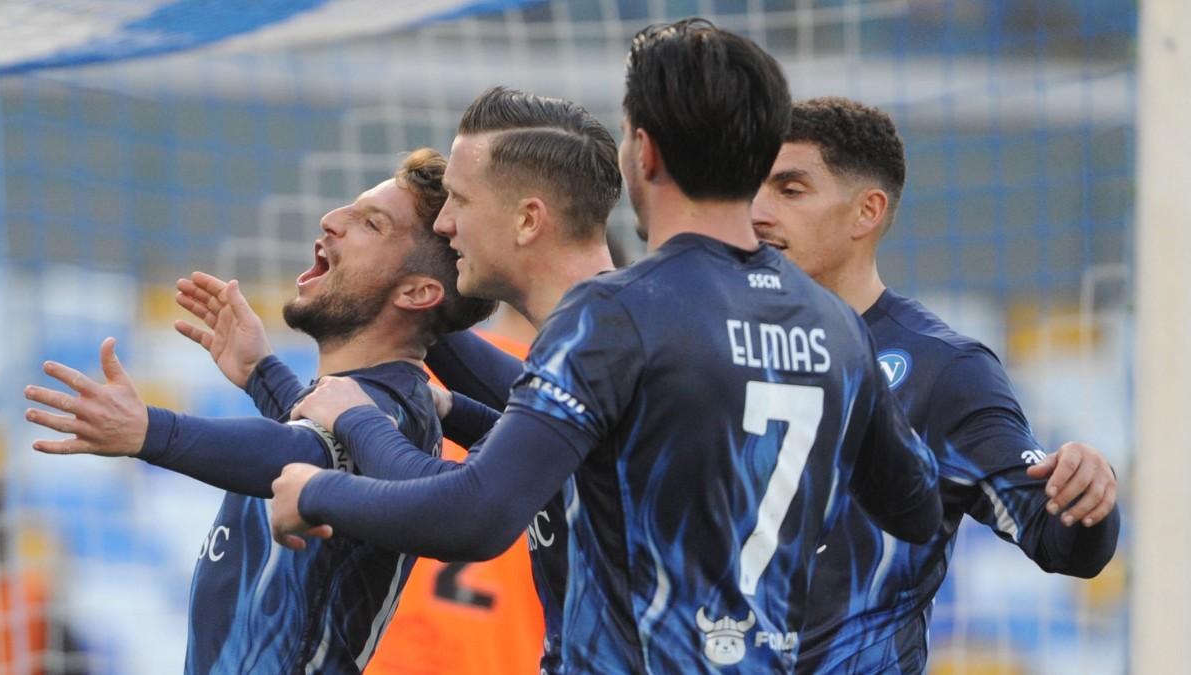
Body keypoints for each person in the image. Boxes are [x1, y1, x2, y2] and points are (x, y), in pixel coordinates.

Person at [268, 19, 942, 673]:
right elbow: (914, 506)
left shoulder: (616, 312)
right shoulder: (834, 326)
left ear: (642, 151)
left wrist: (321, 480)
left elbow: (476, 513)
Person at [180, 85, 622, 674]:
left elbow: (471, 508)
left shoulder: (609, 348)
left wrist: (150, 432)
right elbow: (541, 455)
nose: (447, 221)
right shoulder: (558, 367)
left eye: (461, 200)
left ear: (526, 219)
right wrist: (270, 375)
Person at [21, 149, 496, 674]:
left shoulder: (391, 408)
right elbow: (319, 442)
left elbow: (297, 453)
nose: (331, 220)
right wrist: (261, 374)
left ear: (416, 291)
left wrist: (151, 431)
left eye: (370, 223)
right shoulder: (363, 401)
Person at [750, 96, 1121, 672]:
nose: (758, 212)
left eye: (790, 190)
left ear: (866, 212)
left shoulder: (940, 370)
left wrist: (1086, 497)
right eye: (755, 188)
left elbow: (1060, 542)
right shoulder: (710, 346)